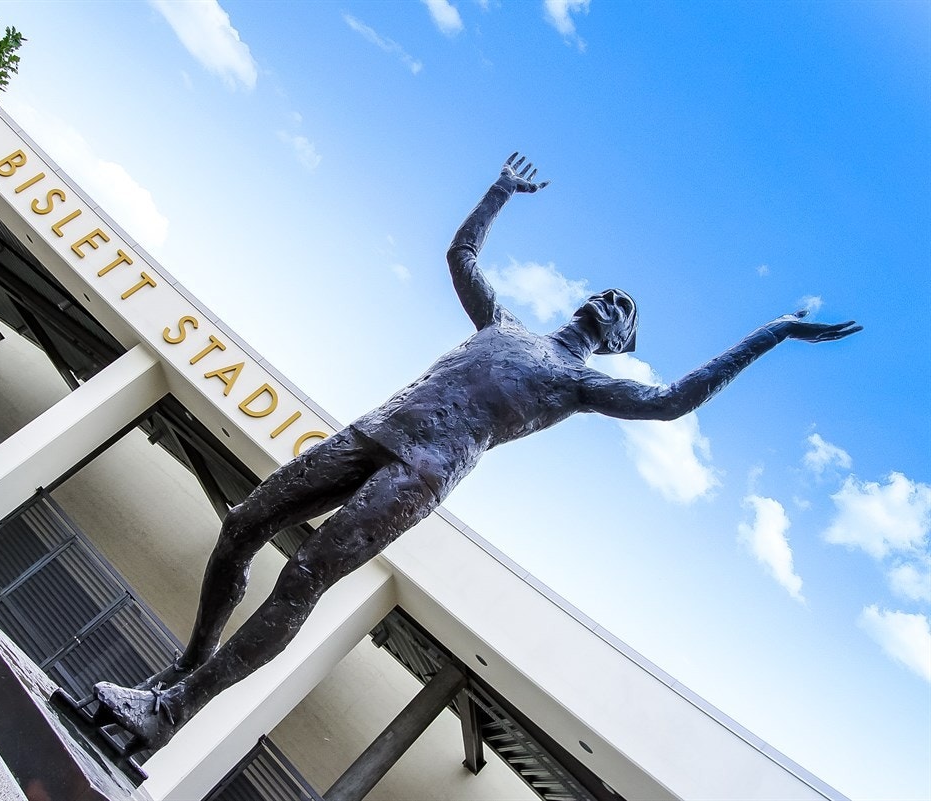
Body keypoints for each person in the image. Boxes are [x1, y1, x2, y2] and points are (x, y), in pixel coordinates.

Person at [93, 153, 860, 749]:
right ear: (582, 299)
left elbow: (672, 401)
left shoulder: (580, 383)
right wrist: (498, 191)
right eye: (609, 293)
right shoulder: (506, 326)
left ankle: (174, 707)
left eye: (624, 312)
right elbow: (462, 257)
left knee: (303, 574)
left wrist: (774, 332)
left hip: (421, 472)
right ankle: (186, 664)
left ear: (620, 342)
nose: (611, 303)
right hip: (375, 429)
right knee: (243, 522)